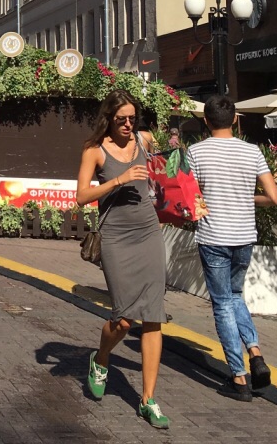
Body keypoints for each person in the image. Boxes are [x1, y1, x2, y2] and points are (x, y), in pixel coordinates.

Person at [75, 89, 170, 429]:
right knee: (124, 319)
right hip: (116, 237)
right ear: (108, 120)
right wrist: (118, 179)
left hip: (148, 233)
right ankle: (101, 358)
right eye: (121, 120)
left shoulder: (146, 140)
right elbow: (82, 196)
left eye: (132, 118)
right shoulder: (94, 151)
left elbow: (164, 175)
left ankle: (148, 400)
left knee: (153, 316)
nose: (129, 124)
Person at [187, 94, 277, 402]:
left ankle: (239, 377)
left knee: (222, 303)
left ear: (206, 121)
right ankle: (255, 352)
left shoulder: (195, 153)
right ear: (236, 119)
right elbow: (273, 197)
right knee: (236, 295)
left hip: (214, 237)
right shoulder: (252, 151)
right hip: (244, 236)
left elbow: (191, 199)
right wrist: (246, 199)